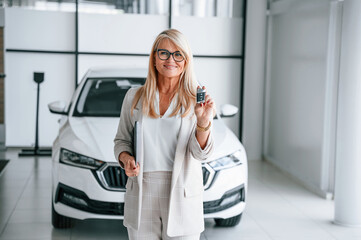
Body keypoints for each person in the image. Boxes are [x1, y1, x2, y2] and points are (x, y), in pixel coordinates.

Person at [114, 29, 215, 240]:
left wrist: (203, 122)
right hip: (143, 192)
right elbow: (121, 141)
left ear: (186, 61)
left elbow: (201, 155)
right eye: (164, 53)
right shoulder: (134, 97)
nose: (171, 59)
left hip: (182, 194)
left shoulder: (195, 101)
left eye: (178, 54)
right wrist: (126, 159)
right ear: (154, 58)